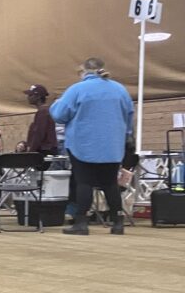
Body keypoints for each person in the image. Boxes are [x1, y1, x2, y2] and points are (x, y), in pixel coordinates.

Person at [49, 57, 134, 235]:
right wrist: (125, 136)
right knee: (110, 183)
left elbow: (59, 115)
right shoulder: (119, 89)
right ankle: (118, 222)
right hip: (112, 145)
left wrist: (55, 104)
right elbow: (129, 116)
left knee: (84, 182)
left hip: (83, 144)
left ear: (84, 71)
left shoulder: (77, 89)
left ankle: (81, 222)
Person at [23, 83, 58, 157]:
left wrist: (31, 151)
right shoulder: (46, 110)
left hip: (44, 150)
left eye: (30, 95)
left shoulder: (43, 112)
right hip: (46, 148)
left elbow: (39, 133)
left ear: (38, 97)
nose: (28, 97)